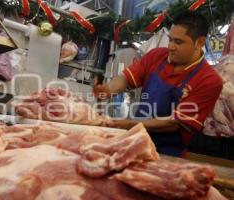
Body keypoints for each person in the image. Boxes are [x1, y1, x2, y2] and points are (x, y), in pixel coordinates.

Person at [93, 11, 223, 157]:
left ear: (199, 43)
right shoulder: (157, 56)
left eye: (178, 42)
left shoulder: (210, 80)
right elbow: (126, 78)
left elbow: (174, 123)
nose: (171, 47)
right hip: (133, 142)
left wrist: (124, 124)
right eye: (170, 40)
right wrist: (108, 89)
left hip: (167, 155)